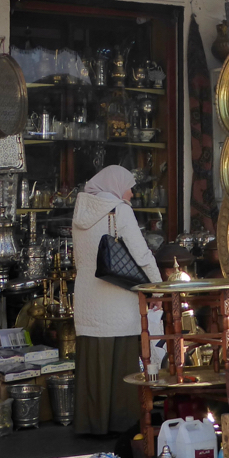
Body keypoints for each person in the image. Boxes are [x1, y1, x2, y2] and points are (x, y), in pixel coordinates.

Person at [73, 165, 162, 435]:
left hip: (88, 299)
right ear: (115, 185)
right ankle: (122, 424)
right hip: (117, 300)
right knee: (122, 363)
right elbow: (141, 254)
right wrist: (157, 287)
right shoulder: (119, 211)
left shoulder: (80, 212)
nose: (132, 194)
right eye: (129, 186)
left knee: (92, 366)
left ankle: (92, 424)